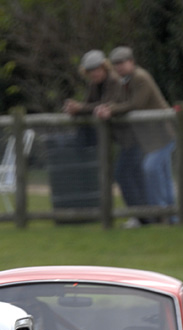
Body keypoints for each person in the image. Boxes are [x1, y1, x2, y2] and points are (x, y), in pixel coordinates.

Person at [95, 47, 176, 227]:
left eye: (122, 63)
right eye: (116, 64)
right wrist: (107, 107)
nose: (119, 67)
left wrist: (110, 110)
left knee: (151, 170)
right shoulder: (126, 80)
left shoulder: (140, 77)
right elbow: (120, 101)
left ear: (131, 62)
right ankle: (172, 218)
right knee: (163, 176)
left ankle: (161, 214)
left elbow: (135, 104)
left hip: (161, 135)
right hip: (151, 139)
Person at [63, 49, 145, 214]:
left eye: (97, 69)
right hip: (122, 140)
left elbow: (105, 105)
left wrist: (80, 108)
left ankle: (142, 216)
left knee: (124, 174)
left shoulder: (114, 81)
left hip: (133, 137)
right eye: (90, 70)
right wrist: (74, 108)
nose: (94, 73)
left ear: (104, 67)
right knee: (132, 176)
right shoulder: (94, 85)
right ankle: (144, 215)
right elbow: (88, 105)